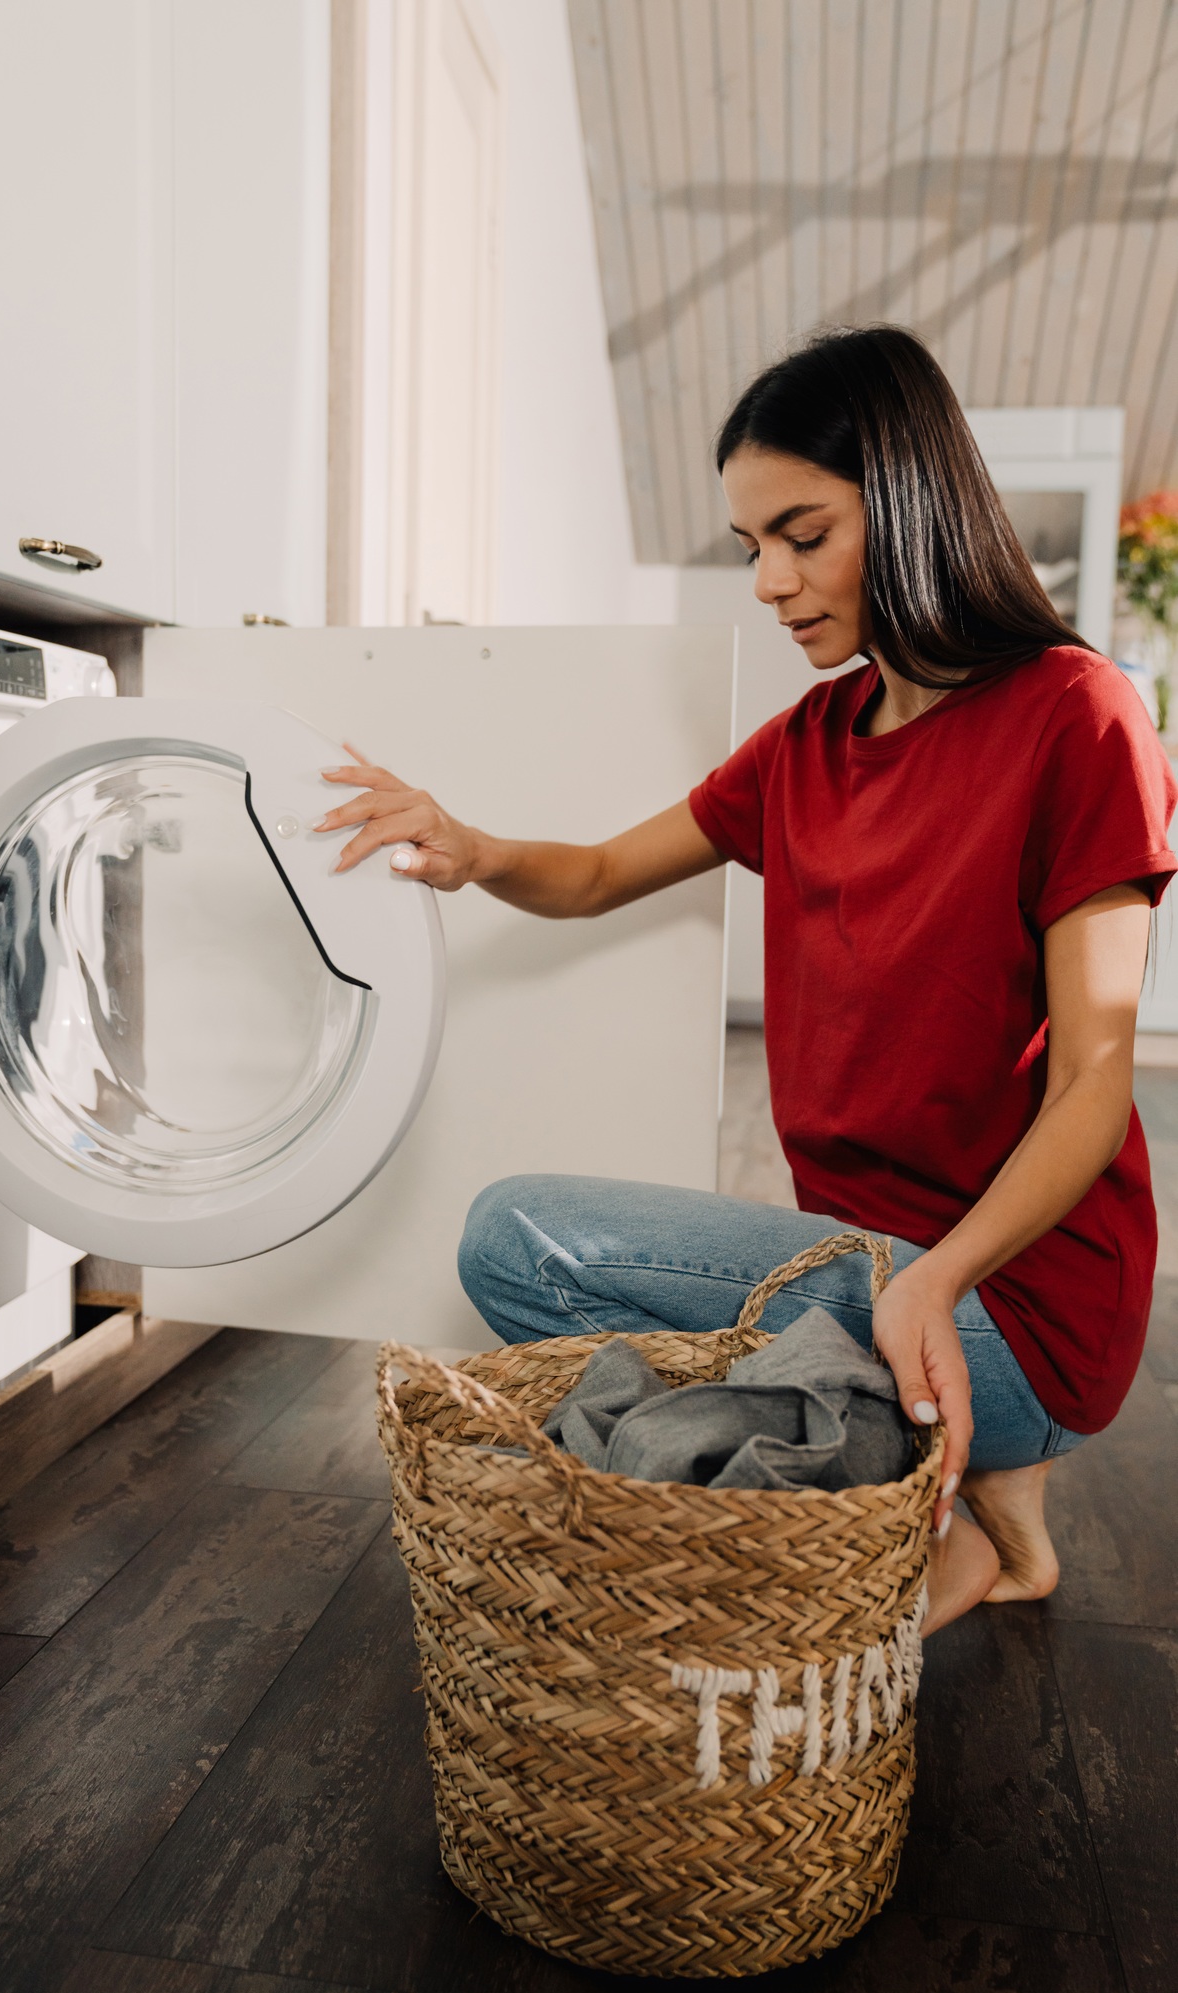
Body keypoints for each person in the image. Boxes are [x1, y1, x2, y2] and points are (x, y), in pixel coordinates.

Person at [317, 325, 1177, 1635]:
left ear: (903, 499)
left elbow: (1095, 1081)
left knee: (521, 1239)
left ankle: (890, 1480)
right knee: (527, 1260)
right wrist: (473, 846)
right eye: (748, 549)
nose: (769, 581)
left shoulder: (1076, 715)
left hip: (1010, 1309)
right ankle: (970, 1516)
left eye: (801, 533)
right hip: (866, 1285)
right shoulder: (805, 745)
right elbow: (601, 871)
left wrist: (937, 1280)